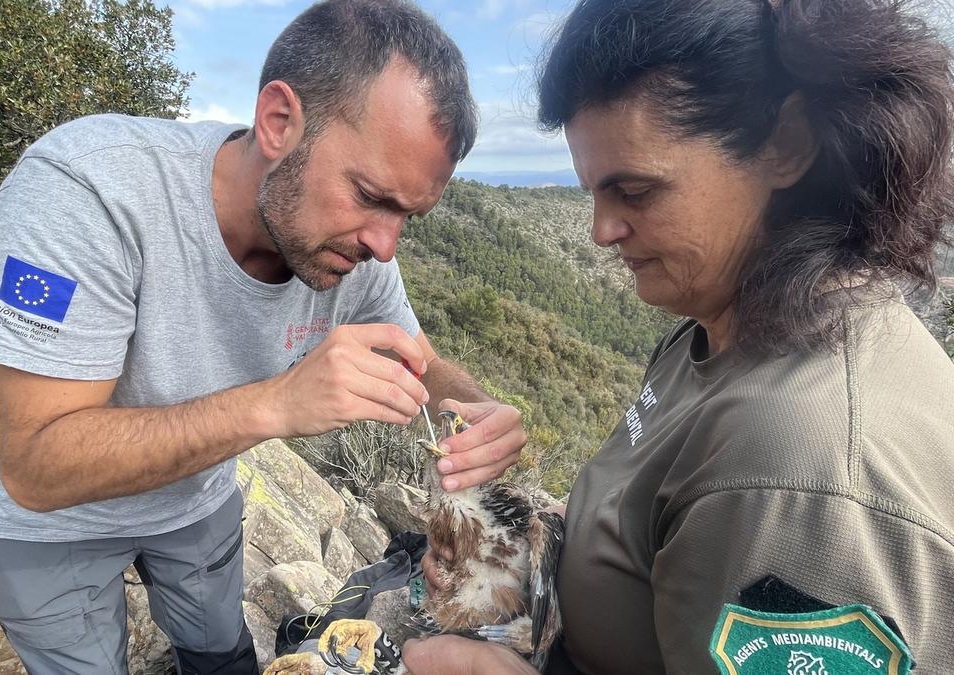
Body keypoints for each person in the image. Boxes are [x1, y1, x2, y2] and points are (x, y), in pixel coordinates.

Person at [0, 1, 527, 673]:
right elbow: (34, 465)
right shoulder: (91, 190)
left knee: (220, 651)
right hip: (42, 525)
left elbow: (424, 361)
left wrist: (472, 409)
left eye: (407, 215)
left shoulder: (349, 250)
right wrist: (273, 404)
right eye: (369, 195)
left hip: (191, 494)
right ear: (279, 122)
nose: (385, 245)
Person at [404, 0, 954, 672]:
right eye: (592, 193)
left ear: (787, 144)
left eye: (634, 191)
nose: (600, 230)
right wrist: (516, 557)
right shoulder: (719, 327)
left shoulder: (798, 469)